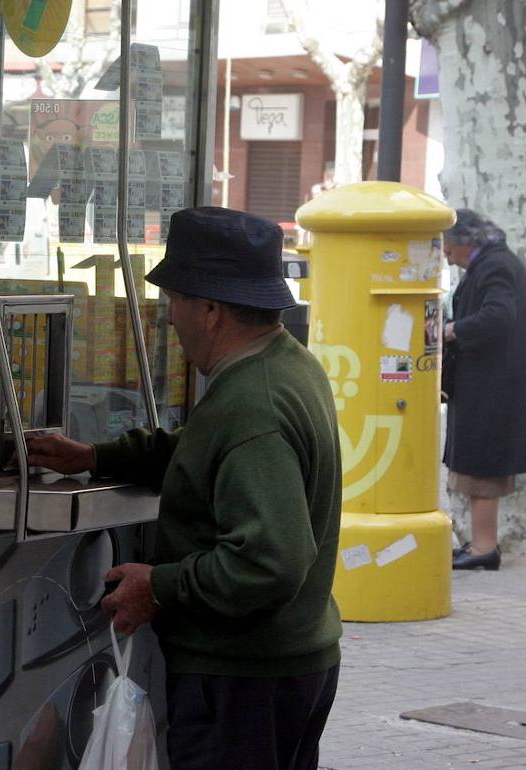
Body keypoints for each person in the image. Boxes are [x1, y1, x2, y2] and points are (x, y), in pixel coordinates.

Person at [27, 207, 342, 770]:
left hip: (244, 679)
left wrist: (163, 586)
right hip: (279, 669)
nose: (170, 318)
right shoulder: (281, 364)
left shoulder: (254, 403)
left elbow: (274, 559)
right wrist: (97, 456)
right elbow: (204, 452)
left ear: (211, 310)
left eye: (174, 301)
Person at [441, 209, 526, 570]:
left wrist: (453, 330)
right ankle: (481, 545)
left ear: (466, 243)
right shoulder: (494, 262)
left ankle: (483, 549)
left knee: (483, 467)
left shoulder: (494, 266)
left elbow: (498, 315)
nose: (446, 256)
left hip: (492, 383)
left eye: (448, 249)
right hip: (489, 381)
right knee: (481, 465)